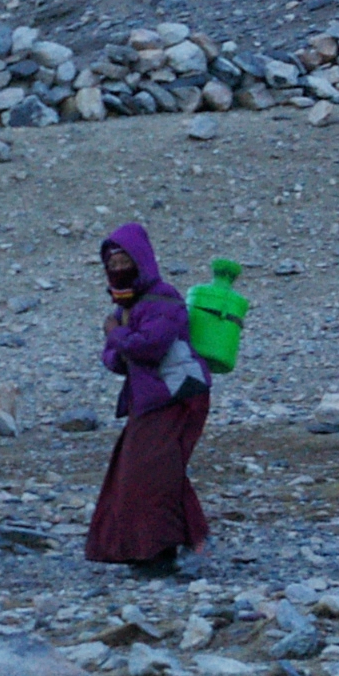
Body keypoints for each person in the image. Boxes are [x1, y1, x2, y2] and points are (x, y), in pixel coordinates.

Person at [84, 220, 211, 575]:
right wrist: (118, 343)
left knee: (149, 475)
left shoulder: (163, 299)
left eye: (124, 260)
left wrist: (116, 335)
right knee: (147, 473)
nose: (118, 268)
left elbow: (150, 347)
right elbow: (116, 358)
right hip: (149, 401)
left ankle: (159, 554)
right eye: (112, 263)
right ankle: (170, 545)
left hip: (177, 399)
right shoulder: (126, 306)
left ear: (141, 260)